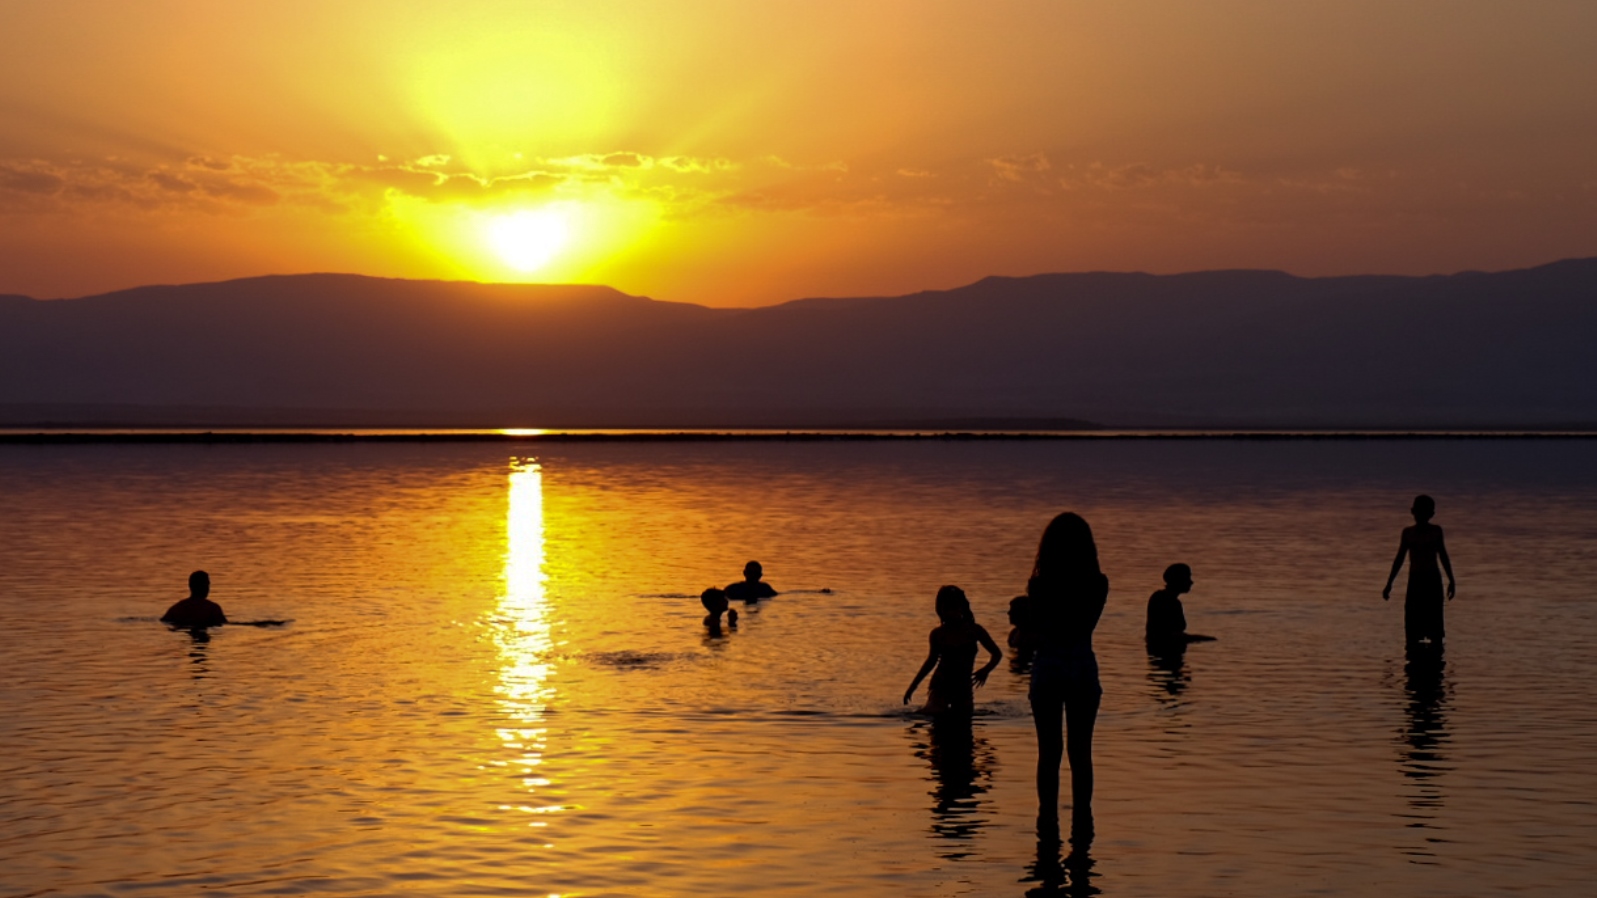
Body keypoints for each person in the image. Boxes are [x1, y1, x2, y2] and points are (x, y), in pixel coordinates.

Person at [1016, 512, 1107, 840]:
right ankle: (1083, 821)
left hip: (1050, 668)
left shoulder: (1039, 585)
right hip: (1082, 666)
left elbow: (1040, 627)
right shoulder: (1098, 584)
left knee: (1049, 752)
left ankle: (1047, 821)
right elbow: (1085, 626)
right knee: (1081, 752)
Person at [903, 585, 1003, 716]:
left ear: (961, 608)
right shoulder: (938, 634)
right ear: (940, 610)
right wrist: (913, 687)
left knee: (964, 724)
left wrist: (985, 670)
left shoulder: (975, 631)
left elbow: (996, 654)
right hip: (941, 683)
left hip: (963, 685)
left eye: (953, 608)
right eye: (946, 609)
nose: (950, 613)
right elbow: (931, 661)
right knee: (936, 717)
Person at [1383, 494, 1457, 645]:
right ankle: (1413, 662)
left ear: (1431, 514)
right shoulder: (1408, 533)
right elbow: (1399, 559)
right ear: (1412, 511)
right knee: (1412, 627)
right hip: (1415, 581)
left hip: (1432, 580)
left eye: (1424, 512)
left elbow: (1443, 556)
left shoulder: (1436, 531)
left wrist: (1452, 580)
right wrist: (1389, 583)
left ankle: (1436, 663)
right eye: (1418, 512)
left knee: (1435, 626)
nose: (1420, 516)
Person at [1145, 563, 1215, 647]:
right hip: (1165, 644)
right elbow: (1170, 633)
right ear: (1179, 580)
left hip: (1157, 643)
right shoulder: (1169, 601)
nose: (1191, 582)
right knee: (1212, 640)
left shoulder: (1159, 597)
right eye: (1187, 578)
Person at [161, 570, 227, 629]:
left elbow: (164, 621)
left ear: (190, 586)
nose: (208, 588)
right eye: (207, 584)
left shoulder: (177, 608)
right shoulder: (212, 608)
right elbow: (222, 623)